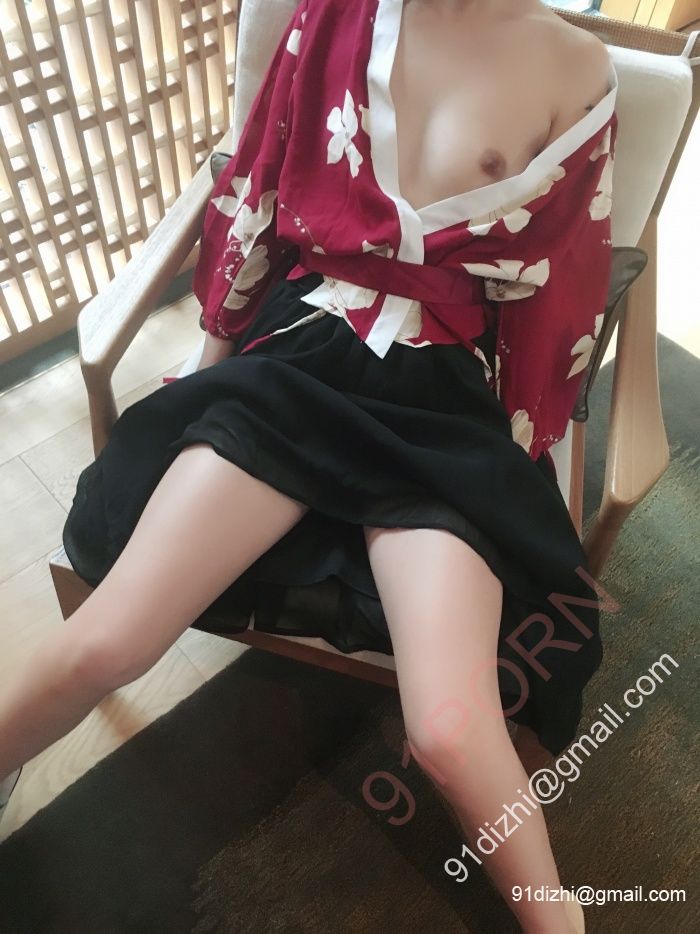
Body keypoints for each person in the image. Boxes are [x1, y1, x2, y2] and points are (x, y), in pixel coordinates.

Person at [0, 1, 617, 930]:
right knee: (108, 642)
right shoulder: (335, 13)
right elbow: (254, 189)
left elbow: (563, 286)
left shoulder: (576, 67)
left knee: (449, 732)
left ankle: (558, 918)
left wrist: (526, 446)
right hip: (302, 355)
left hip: (441, 398)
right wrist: (208, 370)